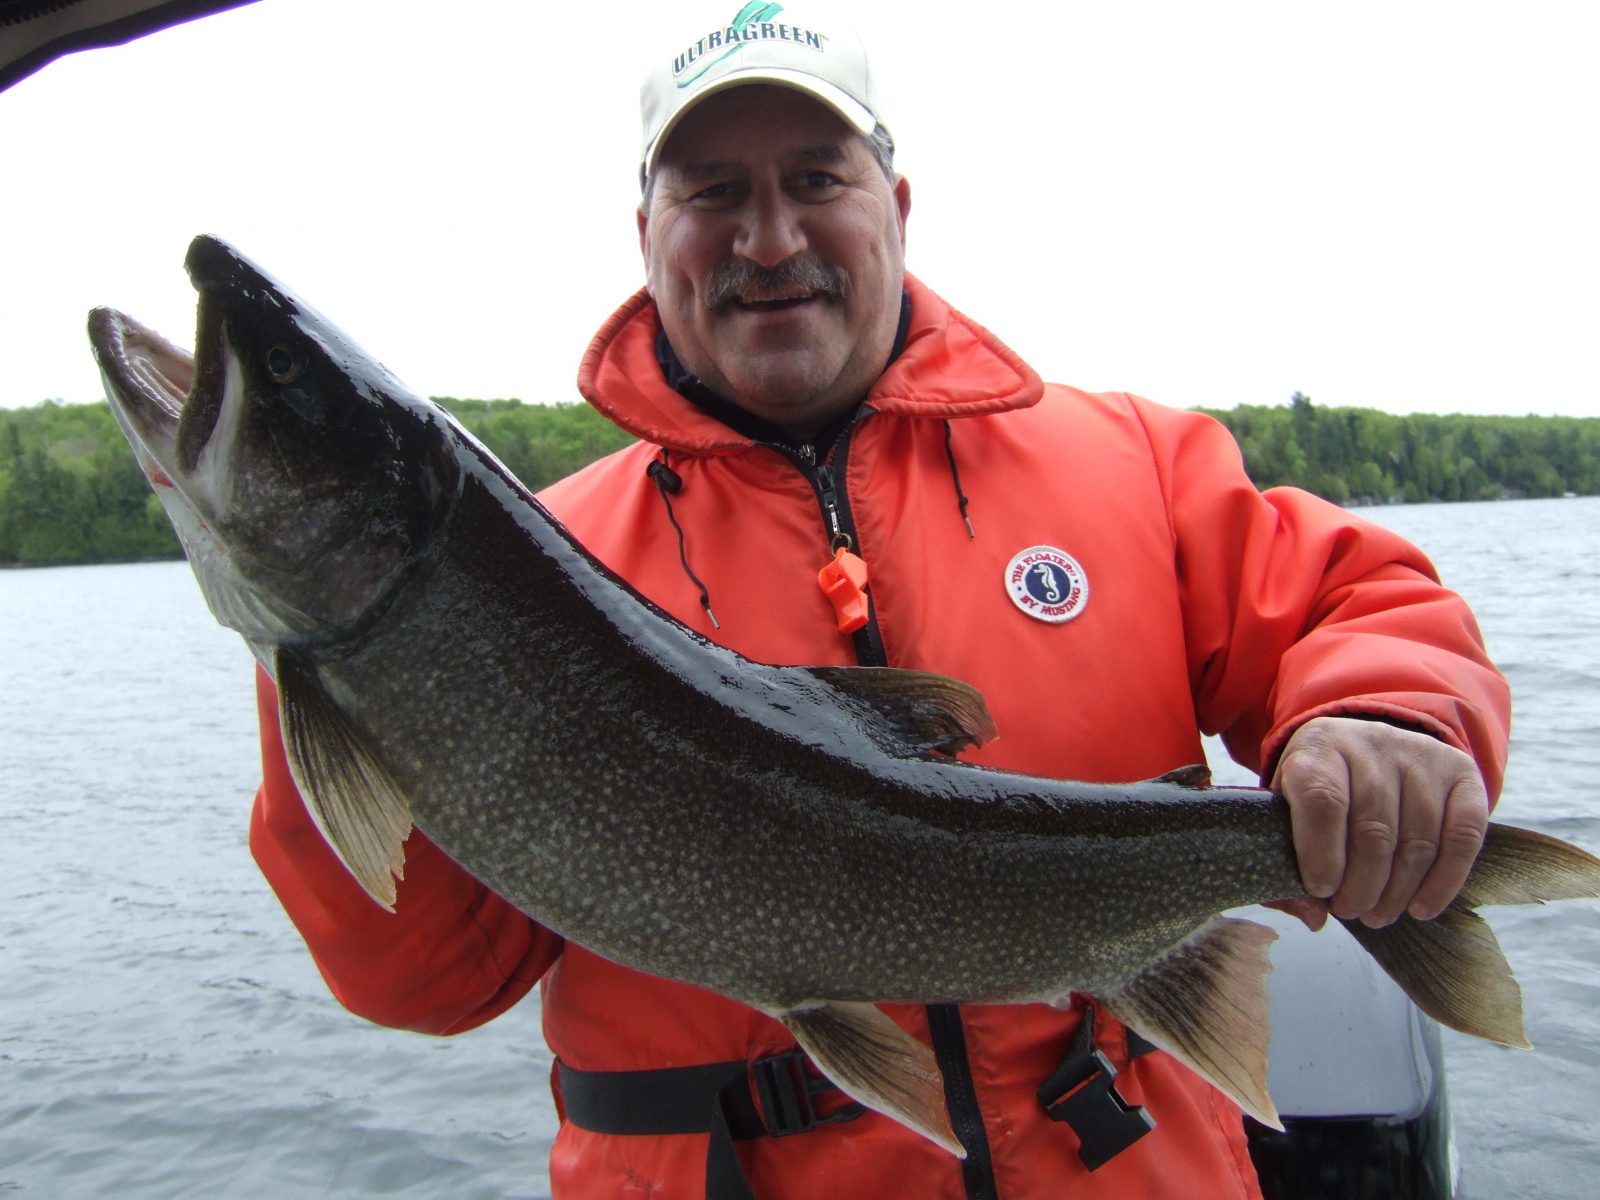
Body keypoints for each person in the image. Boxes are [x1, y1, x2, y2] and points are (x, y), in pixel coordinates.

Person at [248, 7, 1509, 1198]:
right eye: (713, 193)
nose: (770, 239)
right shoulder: (534, 562)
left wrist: (1387, 718)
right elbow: (427, 979)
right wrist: (344, 667)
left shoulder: (1136, 464)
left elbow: (1364, 601)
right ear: (645, 230)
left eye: (813, 178)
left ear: (894, 206)